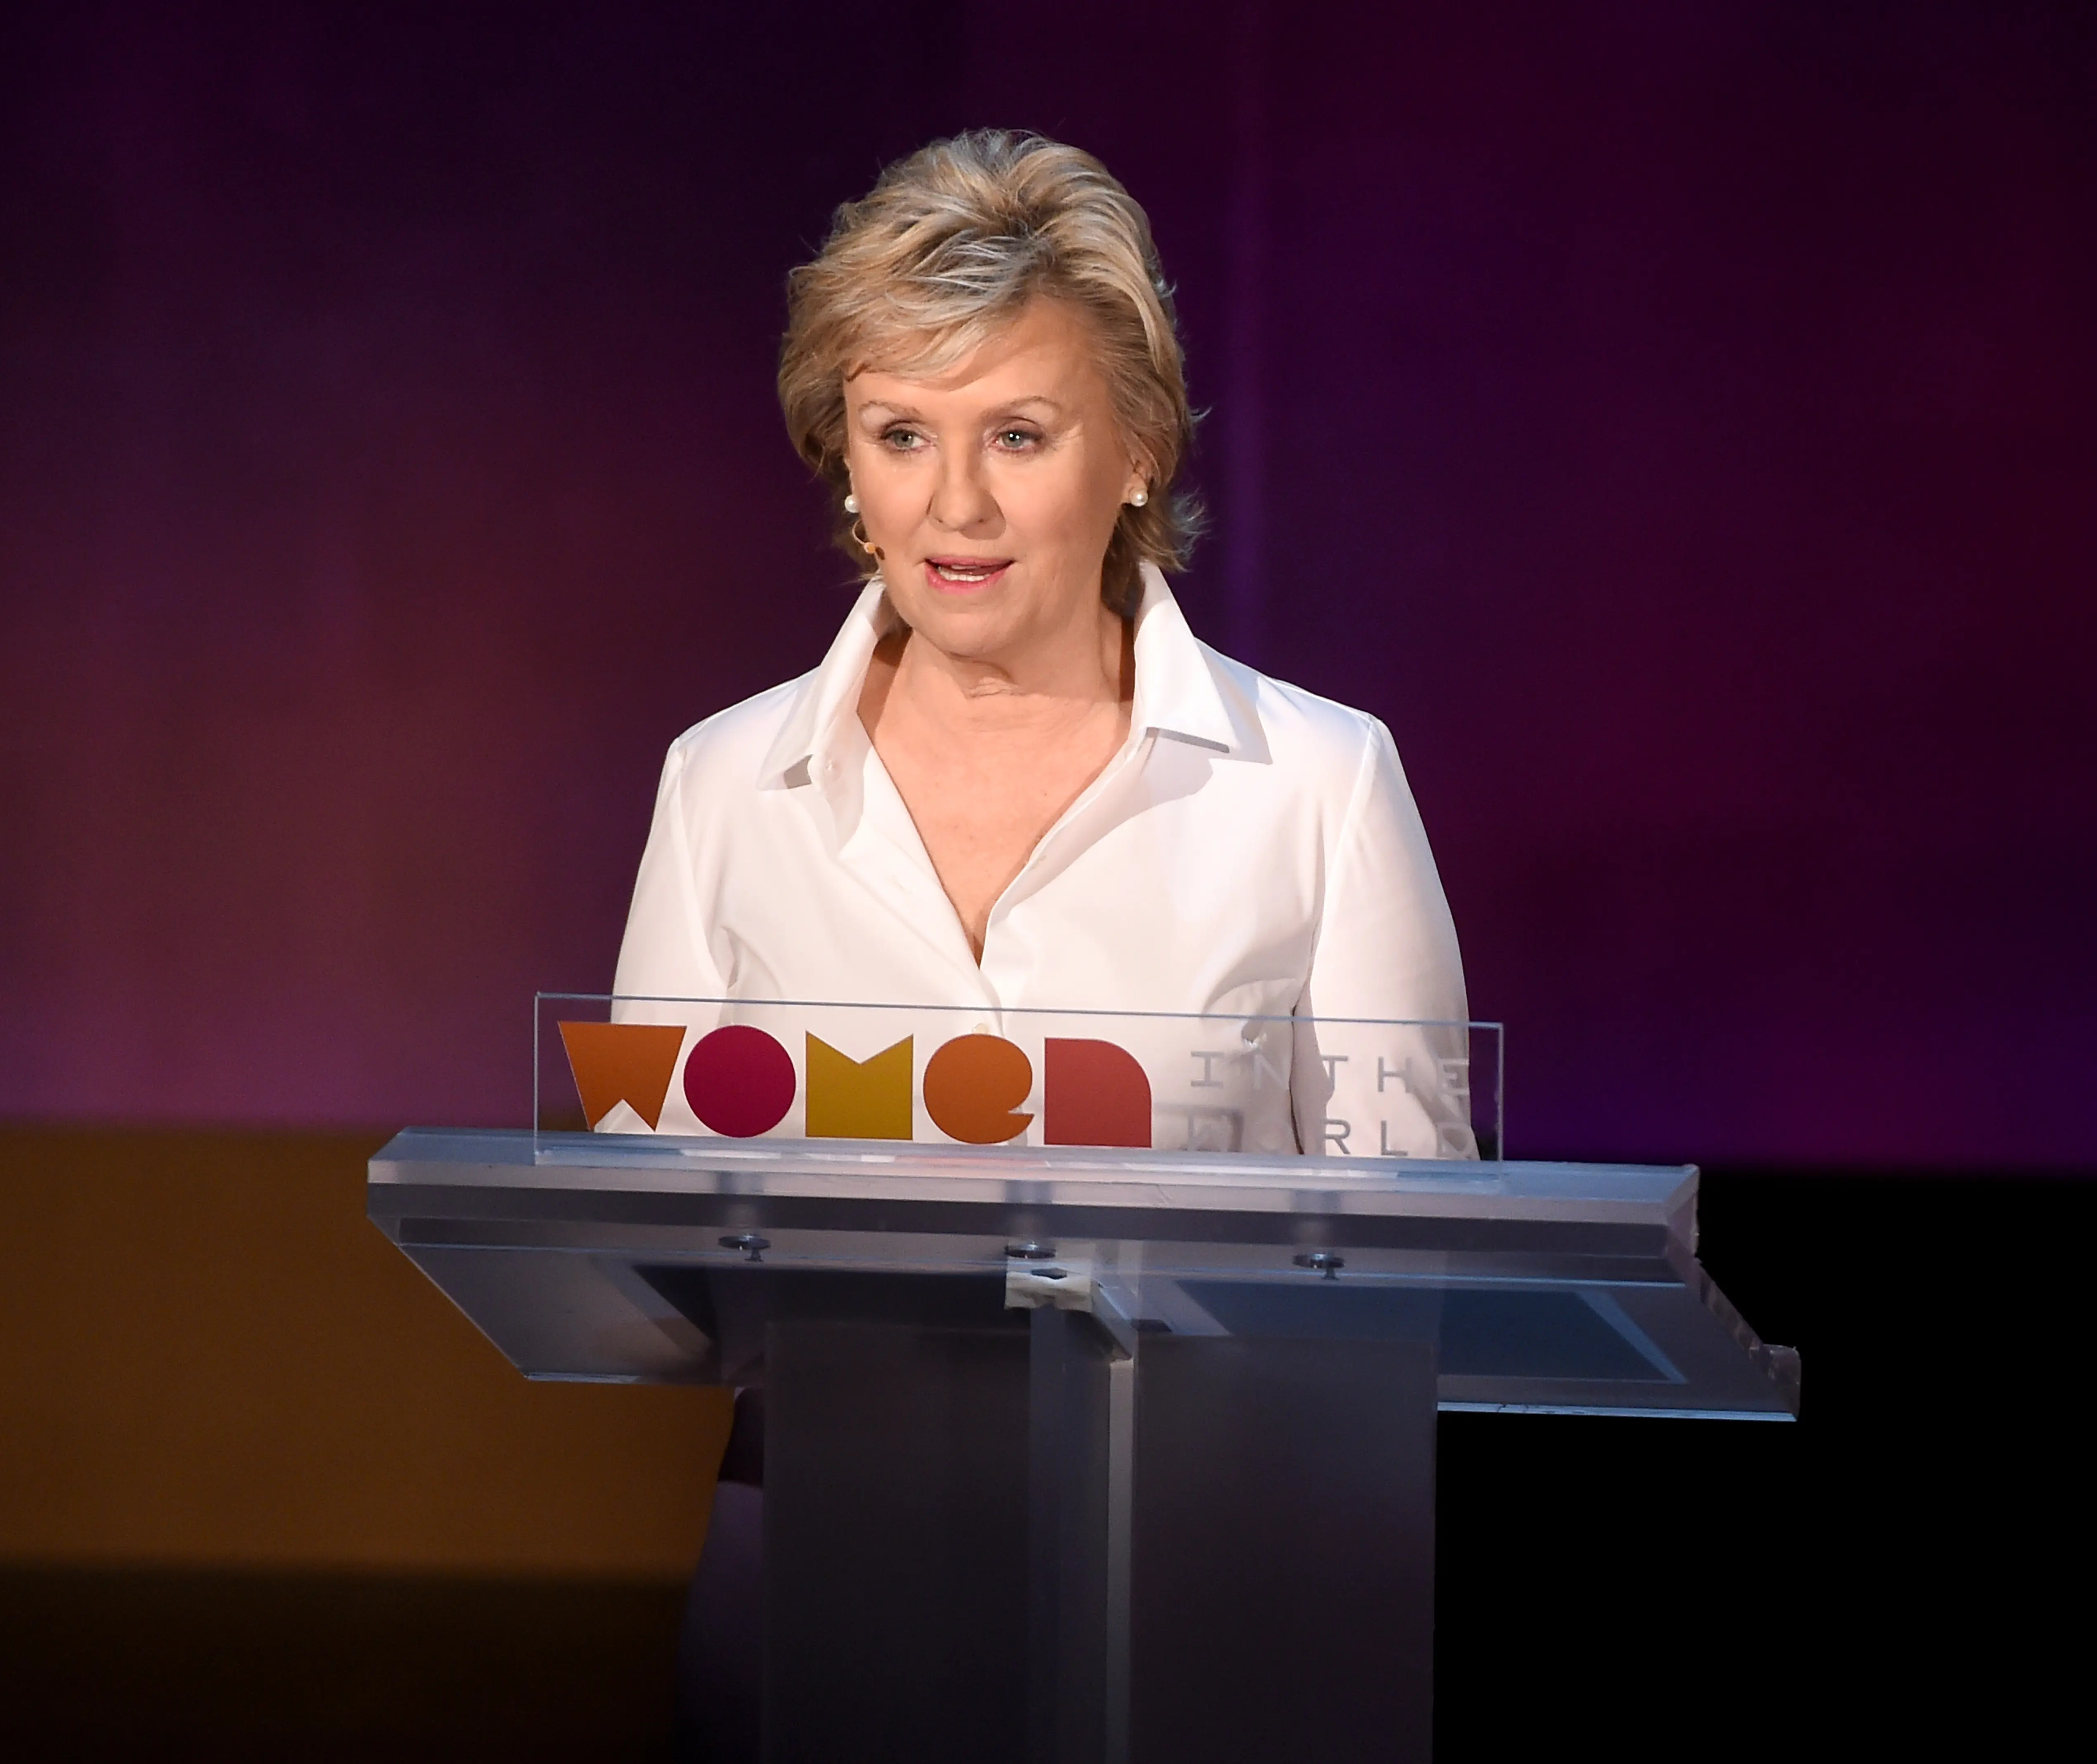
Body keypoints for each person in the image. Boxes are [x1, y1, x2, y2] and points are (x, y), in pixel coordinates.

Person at [626, 129, 1470, 1761]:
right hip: (822, 1562)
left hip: (1212, 1580)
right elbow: (650, 1234)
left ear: (1137, 450)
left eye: (1018, 433)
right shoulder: (725, 785)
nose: (955, 504)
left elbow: (1410, 1257)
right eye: (902, 434)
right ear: (846, 460)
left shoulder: (1320, 785)